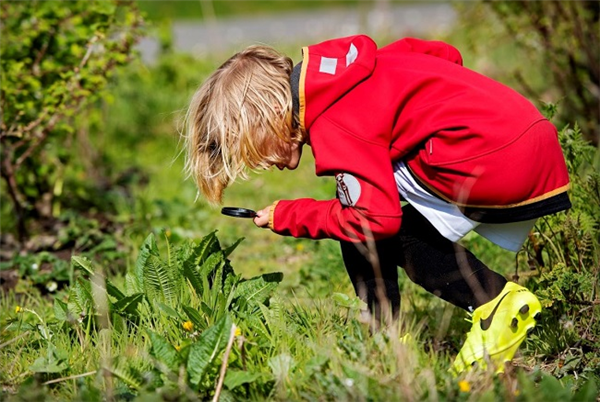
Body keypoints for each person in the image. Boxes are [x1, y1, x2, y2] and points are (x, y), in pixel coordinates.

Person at [183, 35, 571, 374]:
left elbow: (375, 221)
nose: (264, 164)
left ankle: (491, 304)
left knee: (364, 215)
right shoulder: (350, 70)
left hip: (496, 161)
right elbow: (441, 53)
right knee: (362, 202)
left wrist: (290, 214)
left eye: (254, 149)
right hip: (527, 134)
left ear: (264, 116)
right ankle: (387, 337)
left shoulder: (334, 120)